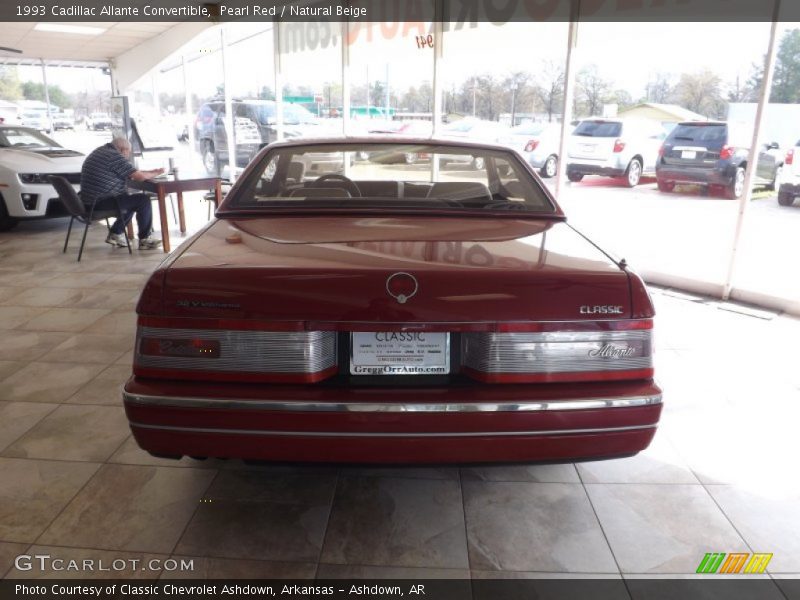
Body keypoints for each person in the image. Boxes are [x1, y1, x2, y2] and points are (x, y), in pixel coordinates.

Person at [80, 136, 165, 249]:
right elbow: (139, 177)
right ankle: (144, 239)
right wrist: (157, 172)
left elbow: (133, 173)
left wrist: (150, 172)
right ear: (122, 149)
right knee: (142, 200)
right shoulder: (113, 156)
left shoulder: (102, 151)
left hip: (90, 201)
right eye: (128, 153)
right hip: (99, 202)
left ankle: (116, 233)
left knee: (128, 198)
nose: (127, 156)